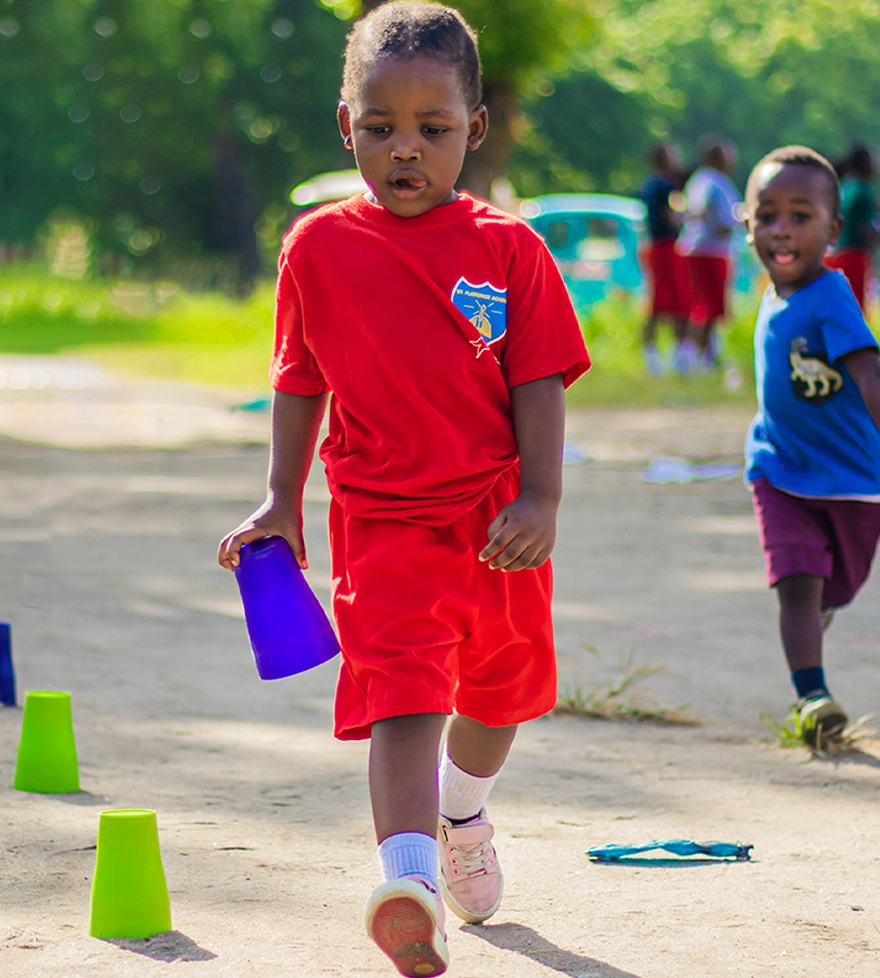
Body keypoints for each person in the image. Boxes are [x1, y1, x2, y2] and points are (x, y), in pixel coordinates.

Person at [217, 4, 590, 976]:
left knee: (498, 696)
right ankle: (409, 883)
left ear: (475, 125)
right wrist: (279, 499)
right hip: (381, 518)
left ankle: (461, 814)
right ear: (346, 125)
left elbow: (537, 380)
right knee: (402, 690)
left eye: (432, 128)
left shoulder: (510, 250)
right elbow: (300, 379)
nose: (405, 151)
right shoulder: (318, 248)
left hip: (494, 519)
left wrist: (541, 500)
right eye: (380, 127)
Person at [743, 145, 880, 747]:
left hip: (851, 479)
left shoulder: (830, 294)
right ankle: (812, 696)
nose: (782, 229)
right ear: (747, 223)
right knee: (797, 578)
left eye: (801, 216)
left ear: (833, 227)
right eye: (767, 214)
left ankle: (821, 604)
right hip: (776, 468)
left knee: (837, 586)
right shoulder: (774, 294)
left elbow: (868, 371)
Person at [679, 136, 742, 369]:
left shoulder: (703, 180)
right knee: (707, 307)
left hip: (707, 249)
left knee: (711, 307)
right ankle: (692, 357)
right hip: (708, 250)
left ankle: (706, 356)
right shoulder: (711, 181)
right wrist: (728, 225)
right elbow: (703, 211)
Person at [639, 142, 690, 375]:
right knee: (673, 300)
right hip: (666, 247)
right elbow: (671, 218)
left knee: (659, 300)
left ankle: (653, 353)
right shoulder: (665, 186)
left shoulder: (649, 184)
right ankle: (677, 355)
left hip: (655, 246)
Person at [824, 145, 878, 311]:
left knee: (838, 308)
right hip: (854, 254)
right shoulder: (863, 190)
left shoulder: (843, 186)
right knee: (855, 310)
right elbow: (864, 229)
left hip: (832, 254)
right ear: (865, 163)